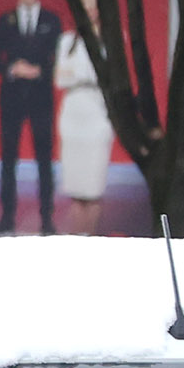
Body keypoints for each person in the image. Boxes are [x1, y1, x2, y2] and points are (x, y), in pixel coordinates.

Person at [0, 0, 63, 232]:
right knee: (9, 158)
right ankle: (7, 218)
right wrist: (12, 68)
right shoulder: (6, 20)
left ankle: (47, 220)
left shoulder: (51, 21)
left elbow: (60, 58)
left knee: (44, 158)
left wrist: (40, 71)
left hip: (41, 98)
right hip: (12, 97)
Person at [55, 25, 113, 226]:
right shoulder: (67, 41)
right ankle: (77, 236)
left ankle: (91, 234)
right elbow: (61, 77)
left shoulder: (111, 39)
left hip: (98, 109)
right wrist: (79, 75)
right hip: (73, 111)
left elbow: (109, 76)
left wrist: (77, 73)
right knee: (75, 186)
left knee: (93, 184)